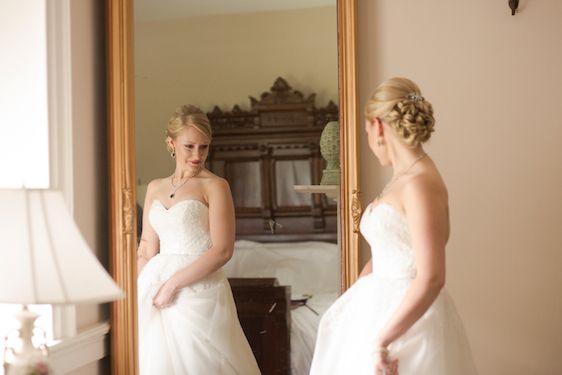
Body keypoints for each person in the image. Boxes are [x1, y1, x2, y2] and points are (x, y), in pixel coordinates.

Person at [309, 77, 478, 375]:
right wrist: (351, 303)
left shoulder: (420, 184)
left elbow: (432, 276)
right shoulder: (403, 178)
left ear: (378, 126)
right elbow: (392, 249)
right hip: (378, 312)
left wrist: (383, 340)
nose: (371, 144)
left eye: (366, 132)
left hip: (409, 324)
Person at [136, 105, 260, 375]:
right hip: (155, 288)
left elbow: (223, 250)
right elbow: (147, 246)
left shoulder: (215, 186)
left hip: (198, 291)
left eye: (203, 147)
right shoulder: (155, 188)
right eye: (189, 146)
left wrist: (172, 285)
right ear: (171, 143)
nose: (197, 155)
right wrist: (139, 288)